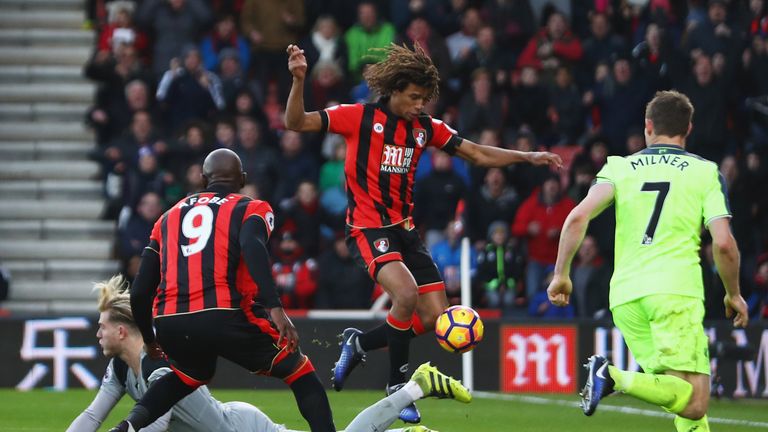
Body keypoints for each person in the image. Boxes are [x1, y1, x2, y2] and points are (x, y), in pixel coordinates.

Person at [285, 42, 562, 423]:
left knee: (435, 315)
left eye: (424, 99)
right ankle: (397, 388)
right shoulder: (357, 118)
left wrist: (525, 156)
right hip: (368, 228)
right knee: (406, 294)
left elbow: (477, 153)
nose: (419, 105)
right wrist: (299, 80)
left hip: (406, 231)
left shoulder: (425, 128)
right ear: (394, 90)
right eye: (414, 97)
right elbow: (296, 123)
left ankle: (360, 342)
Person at [546, 90, 749, 432]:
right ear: (689, 128)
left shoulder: (620, 167)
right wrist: (733, 294)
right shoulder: (705, 173)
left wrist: (560, 274)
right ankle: (610, 377)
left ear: (648, 126)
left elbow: (577, 218)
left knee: (680, 398)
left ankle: (612, 378)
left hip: (625, 297)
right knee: (696, 401)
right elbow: (725, 244)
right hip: (674, 292)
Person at [107, 148, 335, 432]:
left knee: (188, 375)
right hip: (223, 312)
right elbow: (253, 247)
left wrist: (150, 337)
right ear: (242, 179)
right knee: (298, 369)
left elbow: (140, 290)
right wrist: (274, 306)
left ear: (203, 180)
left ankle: (129, 425)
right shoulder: (251, 208)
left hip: (171, 320)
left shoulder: (165, 219)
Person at [75, 275, 470, 432]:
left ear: (123, 329)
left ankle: (414, 388)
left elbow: (154, 426)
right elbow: (93, 414)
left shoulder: (162, 367)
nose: (98, 332)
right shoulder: (120, 370)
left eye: (103, 325)